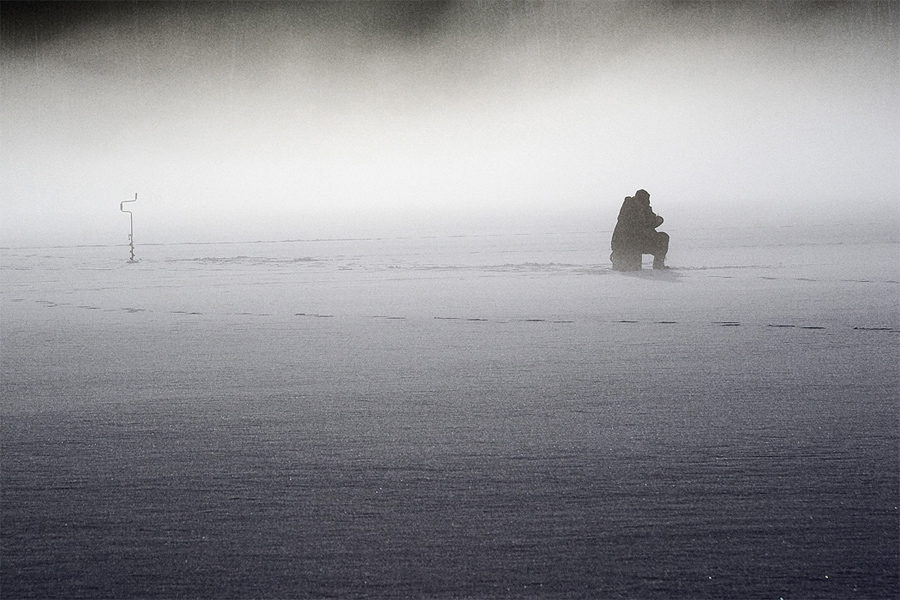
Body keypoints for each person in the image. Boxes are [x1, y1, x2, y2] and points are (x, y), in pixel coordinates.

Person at [610, 189, 669, 270]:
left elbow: (647, 223)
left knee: (663, 237)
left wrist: (656, 220)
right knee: (662, 238)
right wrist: (656, 221)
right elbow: (639, 226)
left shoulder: (642, 208)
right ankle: (658, 266)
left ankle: (659, 266)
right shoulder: (632, 208)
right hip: (627, 243)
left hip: (633, 242)